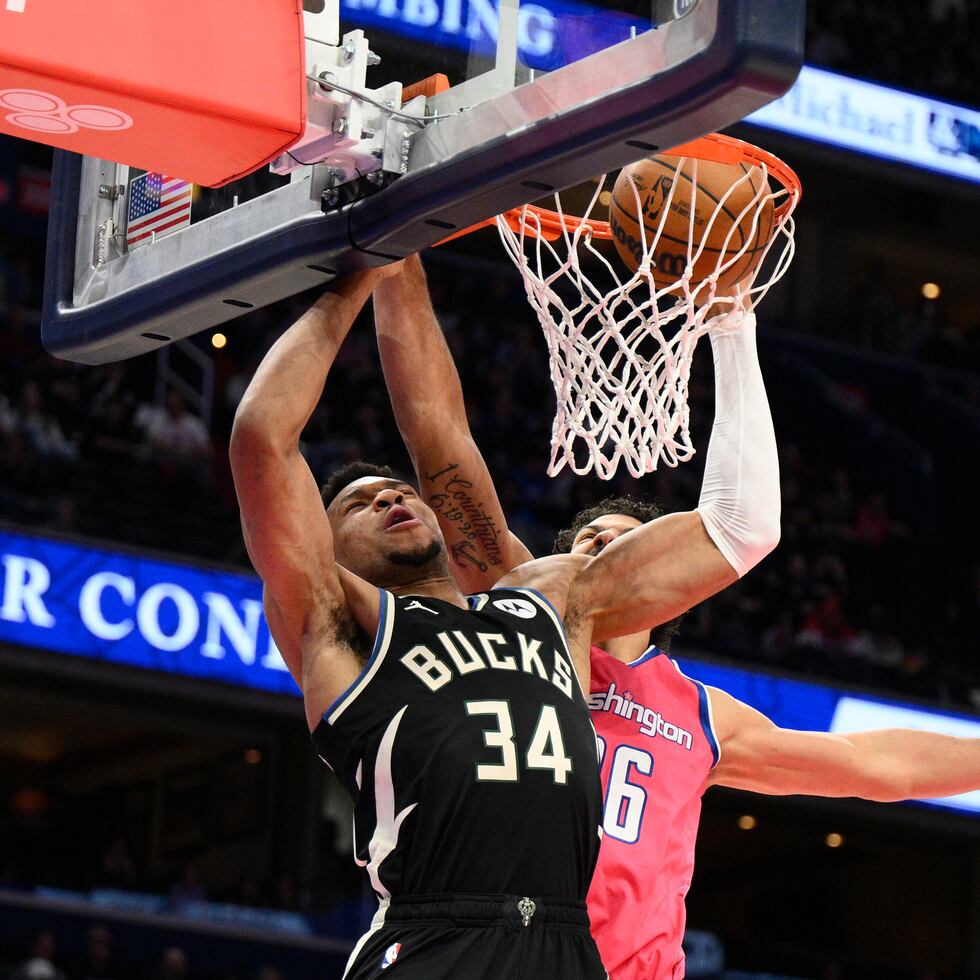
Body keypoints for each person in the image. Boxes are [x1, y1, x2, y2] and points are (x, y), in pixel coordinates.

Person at [371, 255, 980, 979]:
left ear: (666, 581)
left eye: (623, 544)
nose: (599, 549)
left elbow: (873, 766)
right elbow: (440, 440)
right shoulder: (524, 628)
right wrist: (395, 263)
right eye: (585, 543)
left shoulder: (699, 714)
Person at [230, 263, 724, 979]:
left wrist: (407, 257)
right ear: (326, 551)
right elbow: (261, 438)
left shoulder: (535, 605)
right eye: (358, 505)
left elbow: (439, 432)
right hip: (440, 936)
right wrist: (361, 270)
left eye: (397, 490)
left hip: (564, 940)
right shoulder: (341, 627)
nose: (390, 499)